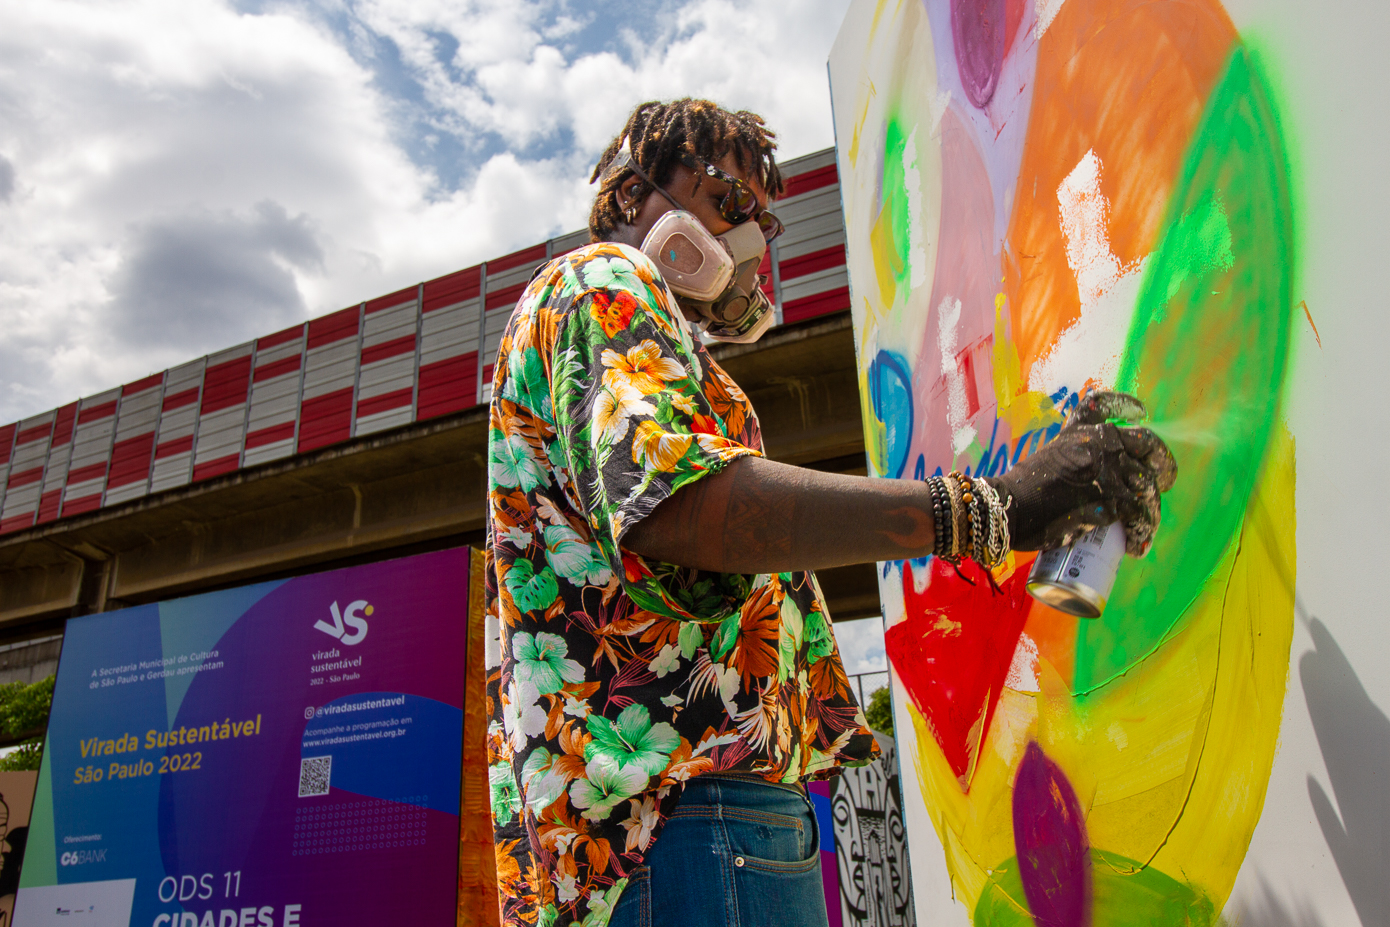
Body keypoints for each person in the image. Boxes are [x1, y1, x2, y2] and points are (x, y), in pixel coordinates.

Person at [484, 98, 1177, 927]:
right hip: (684, 812)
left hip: (658, 828)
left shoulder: (621, 324)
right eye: (727, 203)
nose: (747, 240)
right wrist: (994, 509)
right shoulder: (608, 279)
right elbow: (684, 501)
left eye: (762, 222)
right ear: (638, 196)